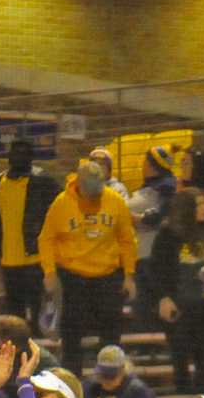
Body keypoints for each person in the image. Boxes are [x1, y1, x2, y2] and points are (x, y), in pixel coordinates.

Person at [40, 157, 139, 373]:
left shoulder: (114, 200)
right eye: (91, 194)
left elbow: (127, 239)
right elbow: (46, 239)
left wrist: (129, 275)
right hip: (73, 276)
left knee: (111, 334)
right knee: (71, 336)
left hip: (108, 275)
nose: (95, 198)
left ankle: (112, 379)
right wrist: (49, 272)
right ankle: (72, 385)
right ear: (79, 185)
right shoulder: (61, 203)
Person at [141, 187, 204, 392]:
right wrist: (164, 298)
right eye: (199, 204)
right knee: (180, 356)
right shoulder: (168, 234)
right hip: (180, 305)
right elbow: (155, 270)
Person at [0, 136, 63, 327]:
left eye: (24, 153)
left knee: (38, 307)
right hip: (7, 259)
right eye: (15, 153)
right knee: (14, 311)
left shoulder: (43, 182)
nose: (19, 157)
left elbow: (61, 208)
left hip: (35, 257)